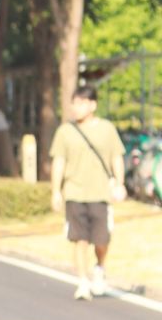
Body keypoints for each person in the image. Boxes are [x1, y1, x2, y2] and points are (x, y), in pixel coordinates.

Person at [51, 89, 124, 300]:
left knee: (102, 239)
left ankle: (99, 267)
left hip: (100, 193)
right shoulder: (65, 131)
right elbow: (59, 161)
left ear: (93, 105)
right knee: (79, 238)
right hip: (74, 192)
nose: (77, 108)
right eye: (74, 103)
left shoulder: (107, 129)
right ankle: (83, 281)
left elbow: (116, 157)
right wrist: (56, 190)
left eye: (82, 103)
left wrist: (119, 183)